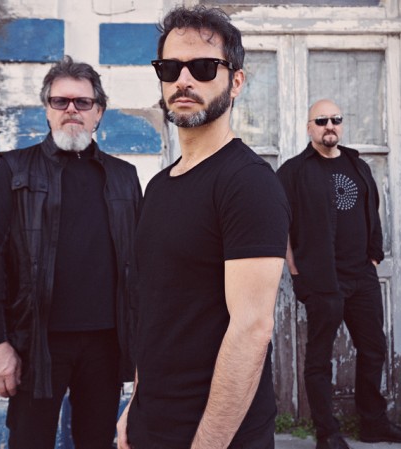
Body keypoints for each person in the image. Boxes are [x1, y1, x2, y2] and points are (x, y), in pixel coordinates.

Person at [116, 6, 290, 449]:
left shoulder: (248, 183)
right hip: (153, 423)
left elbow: (252, 329)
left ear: (236, 81)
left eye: (204, 67)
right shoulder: (158, 186)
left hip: (217, 434)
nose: (183, 80)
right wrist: (135, 405)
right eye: (170, 68)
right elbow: (154, 311)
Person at [0, 55, 142, 448]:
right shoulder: (12, 170)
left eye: (83, 102)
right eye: (60, 101)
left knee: (97, 441)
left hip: (106, 344)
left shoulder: (124, 176)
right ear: (47, 109)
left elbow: (142, 264)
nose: (71, 110)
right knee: (30, 441)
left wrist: (143, 344)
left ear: (99, 112)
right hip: (35, 343)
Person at [276, 99, 401, 449]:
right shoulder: (293, 172)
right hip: (322, 280)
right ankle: (327, 433)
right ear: (309, 128)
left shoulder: (358, 165)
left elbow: (373, 209)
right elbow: (280, 225)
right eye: (321, 120)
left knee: (374, 349)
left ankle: (373, 423)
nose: (330, 125)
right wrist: (295, 270)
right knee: (319, 358)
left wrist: (374, 255)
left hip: (362, 277)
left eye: (336, 119)